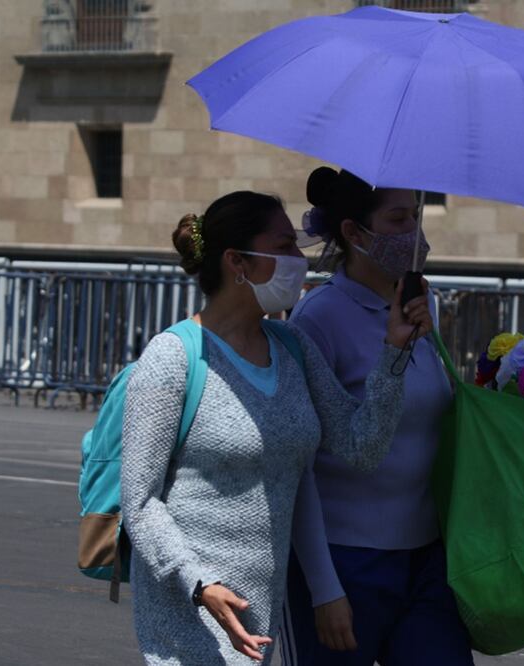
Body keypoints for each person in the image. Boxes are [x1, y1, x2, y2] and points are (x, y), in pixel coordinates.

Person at [120, 191, 433, 666]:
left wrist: (394, 352)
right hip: (189, 615)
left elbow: (360, 446)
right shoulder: (173, 358)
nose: (299, 262)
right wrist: (200, 583)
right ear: (236, 262)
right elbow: (139, 503)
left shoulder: (293, 347)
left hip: (259, 618)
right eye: (285, 246)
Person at [283, 169, 474, 665]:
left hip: (428, 558)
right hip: (346, 559)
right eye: (398, 219)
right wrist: (324, 587)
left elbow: (435, 409)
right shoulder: (317, 318)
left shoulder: (421, 301)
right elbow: (300, 463)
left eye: (416, 215)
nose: (414, 233)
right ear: (353, 233)